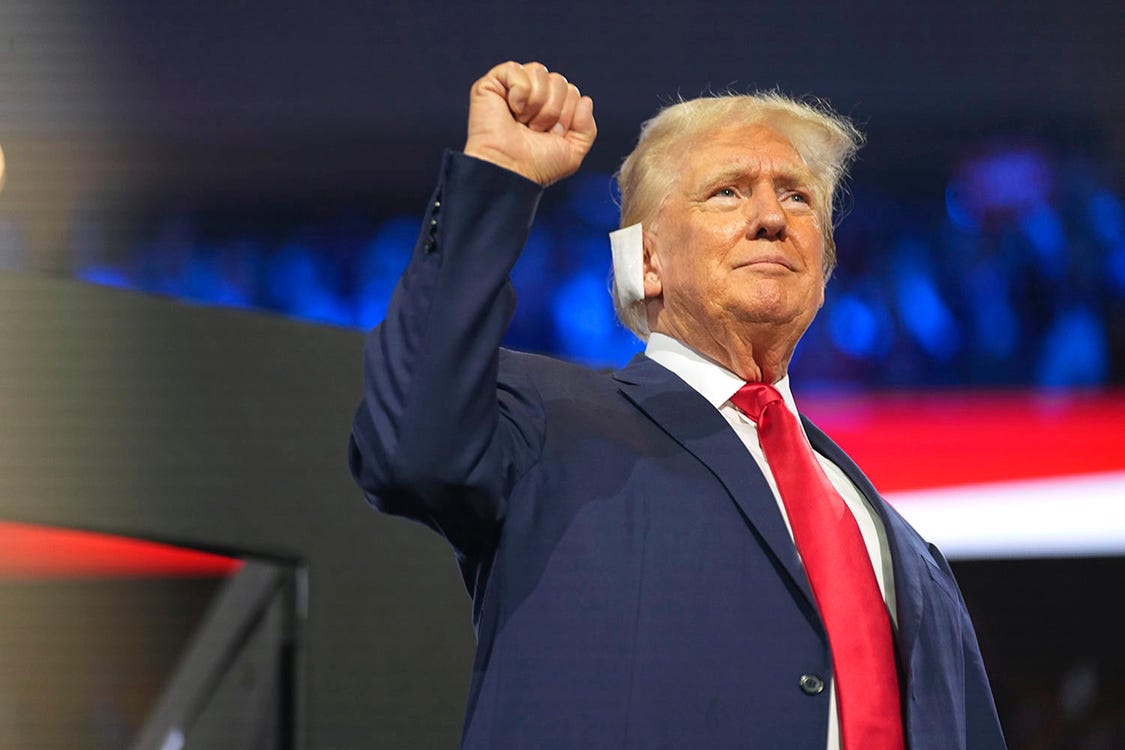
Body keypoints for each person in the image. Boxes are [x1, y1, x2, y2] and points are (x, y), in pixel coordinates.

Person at [348, 60, 1006, 750]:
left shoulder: (907, 551)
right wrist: (494, 181)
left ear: (825, 263)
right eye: (726, 192)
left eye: (797, 198)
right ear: (647, 262)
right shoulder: (546, 420)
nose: (770, 218)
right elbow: (406, 446)